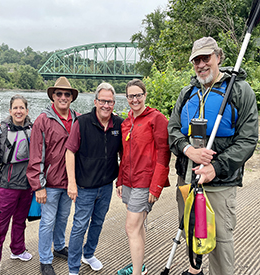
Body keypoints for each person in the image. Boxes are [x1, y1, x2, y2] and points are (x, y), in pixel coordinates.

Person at [168, 37, 258, 275]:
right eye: (196, 60)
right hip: (187, 181)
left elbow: (248, 140)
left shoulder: (239, 91)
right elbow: (173, 130)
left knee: (220, 247)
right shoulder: (187, 93)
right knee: (192, 236)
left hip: (219, 186)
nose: (201, 64)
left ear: (218, 57)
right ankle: (195, 270)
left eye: (206, 58)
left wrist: (215, 167)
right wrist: (189, 150)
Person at [65, 82, 123, 275]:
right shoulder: (82, 122)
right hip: (85, 187)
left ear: (114, 103)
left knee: (98, 222)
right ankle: (73, 268)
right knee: (80, 225)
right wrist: (71, 183)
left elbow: (125, 155)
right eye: (103, 101)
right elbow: (70, 152)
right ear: (95, 101)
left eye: (110, 102)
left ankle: (88, 254)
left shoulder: (119, 124)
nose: (106, 105)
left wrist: (121, 181)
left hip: (106, 186)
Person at [26, 77, 80, 275]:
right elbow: (35, 154)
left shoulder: (77, 118)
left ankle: (58, 247)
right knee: (47, 221)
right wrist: (38, 185)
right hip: (49, 183)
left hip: (69, 182)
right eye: (59, 94)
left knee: (63, 217)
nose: (63, 97)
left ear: (72, 97)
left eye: (67, 94)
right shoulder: (42, 120)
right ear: (53, 96)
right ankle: (45, 259)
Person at [116, 79, 170, 275]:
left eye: (138, 95)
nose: (135, 99)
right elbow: (124, 155)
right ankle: (141, 266)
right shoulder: (127, 122)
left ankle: (136, 273)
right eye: (131, 96)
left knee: (131, 227)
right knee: (138, 228)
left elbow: (164, 154)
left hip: (145, 182)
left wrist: (156, 186)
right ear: (127, 98)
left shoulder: (156, 119)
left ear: (145, 95)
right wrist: (120, 180)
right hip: (129, 181)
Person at [0, 95, 33, 275]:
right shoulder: (2, 129)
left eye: (22, 108)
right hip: (7, 185)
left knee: (20, 221)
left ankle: (18, 249)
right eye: (15, 108)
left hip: (26, 186)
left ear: (27, 111)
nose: (19, 111)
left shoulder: (32, 128)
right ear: (10, 110)